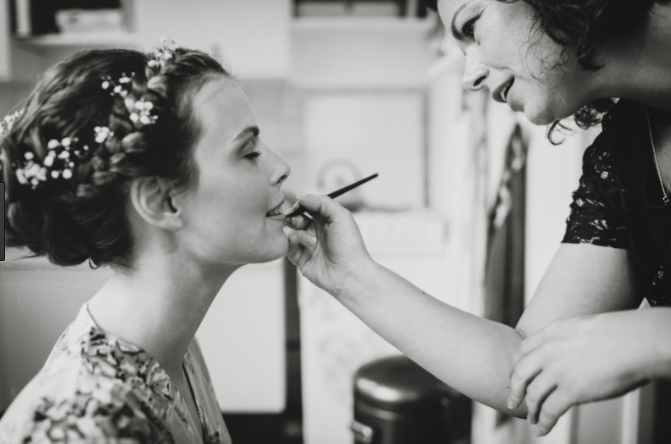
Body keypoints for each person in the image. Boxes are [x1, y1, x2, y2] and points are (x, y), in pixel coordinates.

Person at [283, 0, 671, 437]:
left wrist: (649, 335)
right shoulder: (621, 157)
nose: (469, 77)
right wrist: (350, 277)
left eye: (472, 25)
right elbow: (523, 370)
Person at [0, 38, 291, 443]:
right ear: (161, 200)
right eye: (248, 153)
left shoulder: (172, 349)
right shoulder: (80, 426)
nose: (281, 167)